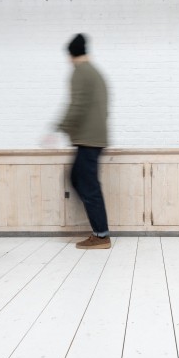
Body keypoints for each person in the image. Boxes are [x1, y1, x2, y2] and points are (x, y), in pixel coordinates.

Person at [57, 33, 111, 249]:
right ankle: (99, 231)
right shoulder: (96, 72)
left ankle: (101, 235)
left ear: (71, 54)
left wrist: (61, 127)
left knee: (88, 187)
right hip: (94, 138)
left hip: (88, 139)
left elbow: (77, 105)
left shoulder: (80, 72)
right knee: (79, 180)